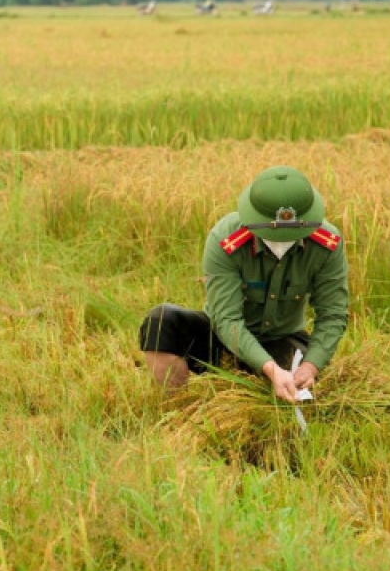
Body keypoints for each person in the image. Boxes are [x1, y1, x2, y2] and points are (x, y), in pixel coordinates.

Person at [138, 166, 349, 403]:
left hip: (283, 339)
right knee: (162, 322)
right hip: (222, 337)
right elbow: (226, 319)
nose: (281, 244)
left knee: (301, 394)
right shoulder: (225, 239)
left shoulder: (327, 244)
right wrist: (269, 368)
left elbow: (333, 314)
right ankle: (178, 409)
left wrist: (310, 367)